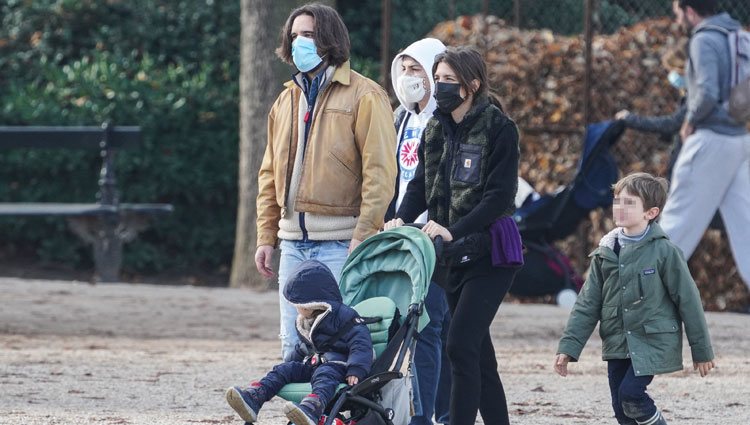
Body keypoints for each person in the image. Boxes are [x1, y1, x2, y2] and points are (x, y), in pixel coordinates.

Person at [386, 46, 523, 425]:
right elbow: (418, 186)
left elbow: (499, 198)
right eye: (439, 79)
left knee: (459, 345)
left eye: (449, 80)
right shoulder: (434, 128)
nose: (440, 87)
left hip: (490, 254)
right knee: (479, 355)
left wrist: (453, 229)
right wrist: (400, 218)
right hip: (451, 256)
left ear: (471, 86)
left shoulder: (499, 128)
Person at [255, 3, 397, 361]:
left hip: (339, 243)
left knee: (332, 345)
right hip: (291, 244)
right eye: (295, 35)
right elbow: (270, 173)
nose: (299, 42)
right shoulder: (285, 99)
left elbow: (379, 173)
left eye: (309, 34)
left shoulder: (366, 95)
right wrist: (266, 236)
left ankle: (331, 415)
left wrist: (363, 234)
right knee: (292, 346)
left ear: (330, 39)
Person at [554, 172, 715, 425]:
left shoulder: (664, 251)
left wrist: (701, 350)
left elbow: (689, 300)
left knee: (631, 395)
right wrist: (569, 347)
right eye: (617, 200)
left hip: (652, 339)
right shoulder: (605, 252)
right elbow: (587, 304)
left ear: (650, 213)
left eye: (630, 203)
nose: (619, 207)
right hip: (617, 340)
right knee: (621, 409)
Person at [663, 0, 750, 308]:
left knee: (676, 222)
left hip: (711, 140)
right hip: (740, 140)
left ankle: (635, 298)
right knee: (747, 229)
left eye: (677, 12)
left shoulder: (704, 38)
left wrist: (690, 121)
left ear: (689, 10)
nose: (677, 18)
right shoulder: (739, 35)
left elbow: (708, 93)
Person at [387, 37, 451, 425]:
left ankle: (432, 415)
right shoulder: (401, 117)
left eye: (417, 69)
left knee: (431, 326)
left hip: (433, 238)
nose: (409, 77)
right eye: (404, 69)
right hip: (400, 234)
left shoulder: (444, 118)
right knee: (398, 324)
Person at [225, 260, 373, 425]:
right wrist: (290, 364)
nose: (296, 309)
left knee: (324, 376)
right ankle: (254, 398)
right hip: (314, 364)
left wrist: (356, 368)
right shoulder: (308, 320)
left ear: (313, 304)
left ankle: (312, 408)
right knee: (284, 369)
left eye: (298, 305)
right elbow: (304, 347)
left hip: (339, 367)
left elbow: (361, 343)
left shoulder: (345, 317)